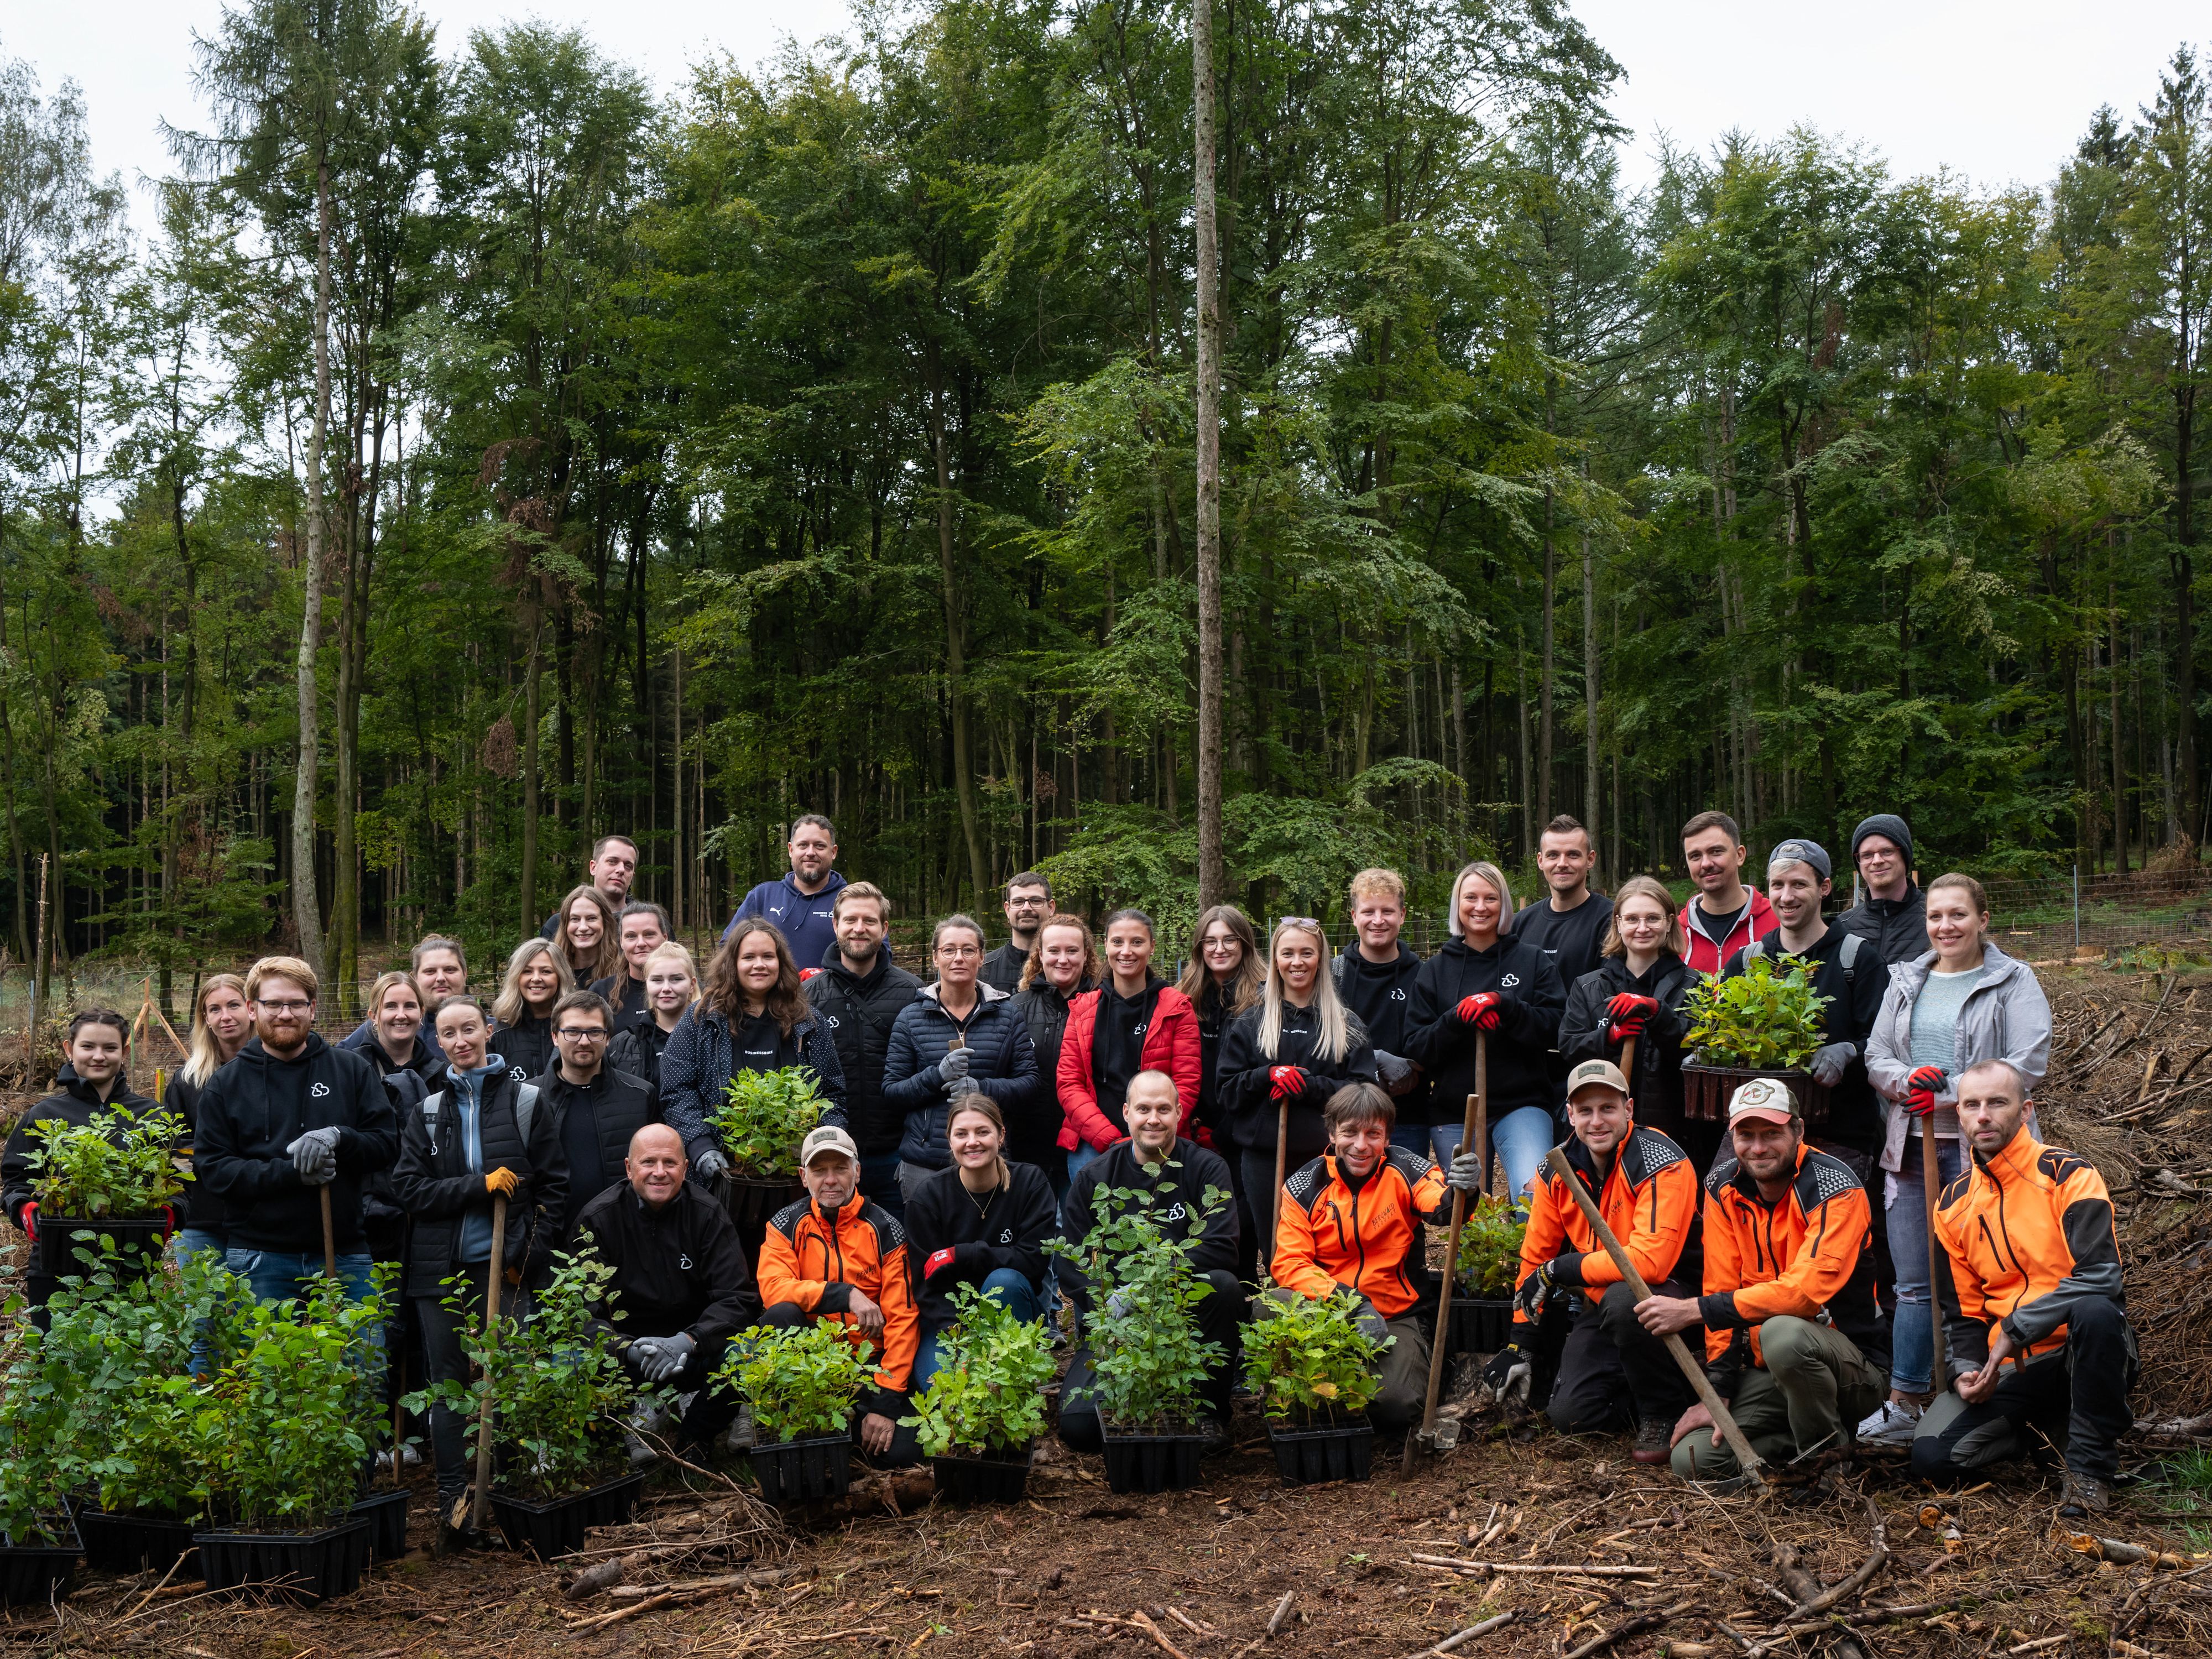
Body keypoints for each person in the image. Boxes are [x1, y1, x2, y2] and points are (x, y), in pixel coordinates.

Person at [1858, 872, 2053, 1449]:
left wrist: (1946, 1093)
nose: (1945, 926)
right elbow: (1876, 1053)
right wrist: (1903, 1081)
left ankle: (1998, 1384)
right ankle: (1906, 1399)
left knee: (1987, 1274)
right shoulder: (1905, 981)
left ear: (1982, 920)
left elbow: (2027, 1062)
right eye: (1936, 916)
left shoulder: (2013, 980)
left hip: (1986, 1155)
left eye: (1958, 915)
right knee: (1916, 1282)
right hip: (1911, 1147)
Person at [1636, 1078, 1887, 1484]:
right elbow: (1720, 1283)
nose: (1758, 1148)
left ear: (1799, 1131)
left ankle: (1824, 1468)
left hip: (1850, 1371)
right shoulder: (1722, 1187)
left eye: (1772, 1133)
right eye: (1746, 1135)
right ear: (1732, 1135)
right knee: (1695, 1460)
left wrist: (1691, 1311)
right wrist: (1718, 1388)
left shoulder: (1837, 1189)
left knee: (1783, 1332)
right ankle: (1805, 1442)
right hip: (1769, 1370)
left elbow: (1803, 1295)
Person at [1913, 1060, 2132, 1516]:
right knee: (1932, 1458)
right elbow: (1964, 1312)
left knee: (2095, 1310)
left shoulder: (2069, 1174)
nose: (1984, 1116)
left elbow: (2102, 1277)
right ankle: (2040, 1436)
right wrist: (1967, 1371)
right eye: (1971, 1105)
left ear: (2026, 1110)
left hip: (2080, 1351)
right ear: (1960, 1114)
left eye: (1997, 1103)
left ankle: (2088, 1473)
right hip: (2010, 1367)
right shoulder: (1952, 1205)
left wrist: (2018, 1326)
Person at [393, 994, 569, 1539]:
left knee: (511, 1380)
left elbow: (554, 1190)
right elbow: (408, 1188)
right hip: (440, 1274)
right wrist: (477, 1186)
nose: (461, 1041)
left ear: (488, 1031)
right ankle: (454, 1502)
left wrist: (524, 1259)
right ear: (437, 1042)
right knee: (447, 1386)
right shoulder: (426, 1111)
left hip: (506, 1270)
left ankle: (508, 1494)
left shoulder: (526, 1102)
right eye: (448, 1034)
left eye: (470, 1029)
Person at [1484, 1059, 1699, 1462]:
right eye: (1585, 1111)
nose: (1596, 1121)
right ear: (1570, 1115)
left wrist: (1563, 1269)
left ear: (1629, 1109)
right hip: (1603, 1304)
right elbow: (1537, 1258)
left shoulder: (1661, 1160)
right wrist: (1521, 1344)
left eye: (1608, 1109)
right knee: (1572, 1417)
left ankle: (1663, 1410)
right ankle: (1657, 1386)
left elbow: (1650, 1264)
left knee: (1626, 1301)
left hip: (1678, 1299)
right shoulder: (1556, 1168)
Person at [1270, 1082, 1479, 1432]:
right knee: (1272, 1304)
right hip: (1328, 1311)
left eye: (1374, 1133)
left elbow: (1443, 1207)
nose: (1361, 1145)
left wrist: (1465, 1189)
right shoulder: (1304, 1187)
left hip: (1398, 1315)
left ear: (1387, 1137)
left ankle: (1415, 1368)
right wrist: (1350, 1302)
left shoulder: (1406, 1170)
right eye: (1350, 1132)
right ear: (1332, 1134)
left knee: (1397, 1406)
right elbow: (1289, 1264)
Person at [194, 956, 399, 1308]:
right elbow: (214, 1170)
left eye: (296, 1004)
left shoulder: (351, 1070)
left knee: (358, 1362)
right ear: (252, 1008)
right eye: (273, 1003)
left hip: (344, 1253)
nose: (285, 1014)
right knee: (265, 1364)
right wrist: (291, 1173)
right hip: (259, 1257)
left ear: (313, 1008)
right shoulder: (226, 1085)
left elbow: (386, 1144)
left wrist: (340, 1136)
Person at [1058, 1070, 1243, 1454]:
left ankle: (1206, 1408)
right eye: (1143, 1108)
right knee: (1080, 1428)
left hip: (1186, 1315)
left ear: (1179, 1113)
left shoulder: (1207, 1169)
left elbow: (1222, 1246)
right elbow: (1071, 1260)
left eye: (1163, 1109)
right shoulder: (1095, 1179)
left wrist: (1143, 1289)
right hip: (1116, 1321)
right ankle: (1137, 1395)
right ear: (1126, 1113)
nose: (1153, 1119)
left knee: (1224, 1286)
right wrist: (1106, 1305)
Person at [571, 1124, 761, 1463]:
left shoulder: (708, 1214)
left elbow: (737, 1299)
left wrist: (688, 1341)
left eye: (670, 1163)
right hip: (630, 1354)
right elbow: (585, 1313)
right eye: (648, 1163)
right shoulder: (597, 1220)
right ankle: (629, 1423)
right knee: (570, 1356)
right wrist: (627, 1350)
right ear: (629, 1168)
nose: (659, 1173)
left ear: (686, 1169)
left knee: (747, 1351)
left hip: (694, 1347)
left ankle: (695, 1435)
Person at [1722, 839, 1891, 1182]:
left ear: (1824, 888)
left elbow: (1886, 1044)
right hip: (1760, 1137)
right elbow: (1726, 1036)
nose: (1787, 897)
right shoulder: (1747, 962)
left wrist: (1850, 1051)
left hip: (1839, 1136)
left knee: (1829, 1231)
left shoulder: (1858, 959)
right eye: (1778, 885)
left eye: (1799, 884)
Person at [756, 1125, 921, 1467]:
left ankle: (854, 1423)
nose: (830, 1180)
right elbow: (773, 1288)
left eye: (841, 1168)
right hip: (811, 1366)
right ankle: (801, 1418)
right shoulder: (786, 1224)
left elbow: (904, 1318)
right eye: (819, 1170)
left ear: (857, 1172)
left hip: (869, 1364)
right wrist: (844, 1295)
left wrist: (885, 1405)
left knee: (904, 1452)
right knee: (780, 1315)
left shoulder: (886, 1229)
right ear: (804, 1177)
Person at [1405, 862, 1566, 1202]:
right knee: (1469, 1211)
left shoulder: (1533, 961)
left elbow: (1556, 1028)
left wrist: (1507, 1006)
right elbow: (1417, 1048)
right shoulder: (1434, 971)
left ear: (1504, 904)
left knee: (1534, 1199)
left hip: (1522, 1103)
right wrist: (1454, 1020)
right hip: (1457, 1110)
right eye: (1471, 898)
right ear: (1458, 905)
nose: (1480, 907)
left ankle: (1531, 1257)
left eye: (1491, 898)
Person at [1221, 917, 1379, 1252]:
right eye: (1288, 953)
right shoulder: (1251, 1021)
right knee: (1279, 1251)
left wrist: (1310, 1087)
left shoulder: (1346, 1025)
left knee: (1329, 1250)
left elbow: (1366, 1094)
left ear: (1320, 958)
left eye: (1307, 953)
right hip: (1265, 1160)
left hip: (1328, 1160)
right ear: (1275, 958)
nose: (1297, 962)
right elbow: (1227, 1093)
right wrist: (1265, 1076)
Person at [1, 1009, 160, 1325]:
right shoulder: (44, 1114)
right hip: (54, 1268)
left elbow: (180, 1184)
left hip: (130, 1267)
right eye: (88, 1047)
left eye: (110, 1048)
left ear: (125, 1052)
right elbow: (15, 1182)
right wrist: (28, 1212)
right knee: (58, 1364)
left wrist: (171, 1215)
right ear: (69, 1049)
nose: (99, 1056)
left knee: (125, 1364)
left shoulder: (152, 1117)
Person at [661, 917, 848, 1184]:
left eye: (768, 957)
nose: (759, 965)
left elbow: (832, 1094)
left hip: (795, 1174)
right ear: (733, 964)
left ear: (781, 963)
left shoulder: (808, 1022)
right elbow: (676, 1090)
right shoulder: (701, 1019)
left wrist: (823, 1149)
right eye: (748, 957)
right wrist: (701, 1147)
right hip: (720, 1173)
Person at [883, 915, 1040, 1206]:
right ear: (935, 958)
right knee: (929, 1249)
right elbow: (893, 1092)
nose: (959, 958)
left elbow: (1029, 1084)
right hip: (926, 1162)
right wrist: (936, 1076)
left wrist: (980, 1088)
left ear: (982, 957)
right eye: (949, 950)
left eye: (968, 950)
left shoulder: (1007, 1016)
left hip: (990, 1159)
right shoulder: (910, 1018)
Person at [902, 1098, 1056, 1387]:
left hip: (1012, 1313)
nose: (972, 1142)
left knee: (1005, 1280)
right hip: (949, 1322)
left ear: (1001, 1135)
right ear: (949, 1140)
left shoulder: (1030, 1182)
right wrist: (958, 1337)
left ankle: (1015, 1379)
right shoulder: (928, 1197)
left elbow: (1033, 1263)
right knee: (950, 1394)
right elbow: (926, 1285)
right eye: (961, 1134)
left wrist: (961, 1254)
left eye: (983, 1132)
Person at [1558, 877, 1703, 1165]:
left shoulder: (1694, 984)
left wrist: (1657, 1013)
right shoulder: (1588, 986)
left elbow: (1695, 1049)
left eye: (1653, 918)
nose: (1642, 928)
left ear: (1670, 922)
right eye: (1632, 919)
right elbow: (1569, 1048)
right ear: (1618, 923)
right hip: (1601, 1130)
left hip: (1672, 1125)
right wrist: (1608, 1038)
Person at [803, 883, 922, 1218]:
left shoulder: (913, 992)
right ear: (835, 925)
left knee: (899, 1255)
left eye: (869, 921)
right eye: (850, 920)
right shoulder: (807, 998)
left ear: (884, 928)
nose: (859, 929)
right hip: (831, 1159)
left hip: (898, 1153)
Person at [1056, 909, 1202, 1182]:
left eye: (1137, 942)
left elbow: (1187, 1082)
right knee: (1094, 1223)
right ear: (1106, 946)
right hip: (1094, 1143)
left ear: (1152, 947)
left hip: (1159, 1140)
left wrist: (1148, 1135)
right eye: (1118, 942)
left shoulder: (1177, 1008)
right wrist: (1109, 1139)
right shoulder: (1083, 1010)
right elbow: (1069, 1084)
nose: (1127, 951)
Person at [539, 989, 660, 1232]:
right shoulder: (528, 1098)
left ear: (607, 1037)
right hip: (549, 1237)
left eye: (595, 1032)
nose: (584, 1041)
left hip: (624, 1234)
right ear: (555, 1037)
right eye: (572, 1031)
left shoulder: (641, 1095)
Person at [1333, 870, 1431, 1156]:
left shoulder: (1424, 976)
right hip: (1347, 1121)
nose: (1378, 920)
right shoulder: (1332, 976)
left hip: (1407, 1118)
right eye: (1368, 911)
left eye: (1387, 911)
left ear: (1401, 915)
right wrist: (1371, 1060)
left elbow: (1436, 1043)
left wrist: (1416, 1065)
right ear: (1354, 916)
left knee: (1403, 1197)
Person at [1011, 913, 1097, 1203]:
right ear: (1040, 955)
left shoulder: (1103, 1006)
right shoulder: (1015, 1009)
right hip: (1027, 1148)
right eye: (1054, 951)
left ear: (1086, 955)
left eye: (1072, 951)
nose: (1063, 959)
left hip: (1083, 1146)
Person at [166, 973, 252, 1261]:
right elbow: (177, 1150)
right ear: (205, 1018)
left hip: (263, 1221)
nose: (225, 1017)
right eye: (215, 1009)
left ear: (251, 1009)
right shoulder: (187, 1081)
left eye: (234, 1005)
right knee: (204, 1305)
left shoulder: (276, 1073)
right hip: (202, 1221)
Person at [719, 813, 847, 969]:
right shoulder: (763, 896)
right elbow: (727, 947)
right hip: (772, 994)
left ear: (833, 852)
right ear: (791, 850)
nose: (811, 852)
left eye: (820, 846)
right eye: (803, 845)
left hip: (833, 994)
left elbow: (878, 956)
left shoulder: (850, 900)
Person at [1510, 816, 1615, 992]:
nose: (1562, 864)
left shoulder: (1611, 920)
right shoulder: (1521, 922)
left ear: (1590, 859)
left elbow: (1609, 991)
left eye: (1573, 855)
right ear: (1540, 861)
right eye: (1553, 855)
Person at [1676, 811, 1778, 974]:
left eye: (1716, 851)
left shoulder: (1778, 922)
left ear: (1740, 855)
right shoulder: (1673, 934)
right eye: (1695, 856)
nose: (1706, 864)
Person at [606, 941, 699, 1093]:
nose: (666, 988)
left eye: (676, 979)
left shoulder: (712, 1037)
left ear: (692, 985)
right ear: (647, 984)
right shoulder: (622, 1045)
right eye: (657, 980)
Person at [1838, 814, 1927, 966]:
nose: (1877, 861)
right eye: (1867, 855)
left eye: (1887, 851)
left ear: (1904, 855)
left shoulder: (1935, 920)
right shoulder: (1842, 928)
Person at [489, 936, 573, 1084]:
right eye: (527, 971)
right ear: (516, 977)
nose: (536, 978)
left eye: (546, 972)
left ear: (561, 977)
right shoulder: (496, 1036)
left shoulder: (577, 1033)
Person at [341, 971, 440, 1091]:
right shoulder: (352, 1069)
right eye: (391, 1006)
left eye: (410, 1006)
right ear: (374, 1016)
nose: (401, 1015)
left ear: (421, 1013)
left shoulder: (441, 1073)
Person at [538, 833, 640, 939]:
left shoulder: (645, 923)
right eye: (612, 862)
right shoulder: (559, 924)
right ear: (593, 868)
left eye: (628, 866)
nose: (621, 870)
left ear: (632, 876)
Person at [593, 901, 671, 1032]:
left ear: (665, 938)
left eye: (649, 934)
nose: (641, 943)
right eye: (631, 936)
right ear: (621, 943)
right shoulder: (601, 992)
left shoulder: (686, 989)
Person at [981, 872, 1052, 994]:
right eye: (1018, 902)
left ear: (1051, 908)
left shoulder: (1064, 967)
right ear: (1008, 909)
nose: (1026, 908)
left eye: (1035, 901)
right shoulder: (983, 969)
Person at [552, 883, 622, 988]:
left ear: (605, 922)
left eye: (592, 918)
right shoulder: (551, 972)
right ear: (565, 925)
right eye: (575, 919)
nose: (583, 927)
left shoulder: (622, 975)